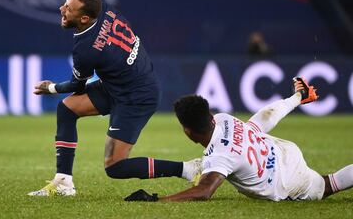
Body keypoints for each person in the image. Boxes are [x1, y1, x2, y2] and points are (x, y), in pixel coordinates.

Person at [28, 0, 201, 196]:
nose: (61, 9)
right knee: (66, 109)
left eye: (68, 8)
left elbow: (77, 86)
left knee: (115, 167)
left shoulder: (86, 48)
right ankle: (63, 182)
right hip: (119, 84)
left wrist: (51, 87)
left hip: (136, 96)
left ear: (84, 18)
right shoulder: (105, 10)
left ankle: (188, 169)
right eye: (65, 3)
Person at [125, 77, 353, 202]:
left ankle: (193, 167)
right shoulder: (224, 120)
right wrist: (296, 98)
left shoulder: (219, 158)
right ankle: (193, 167)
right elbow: (261, 121)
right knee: (326, 182)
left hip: (288, 183)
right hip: (285, 152)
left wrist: (158, 199)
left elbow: (204, 191)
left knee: (326, 185)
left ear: (188, 132)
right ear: (211, 116)